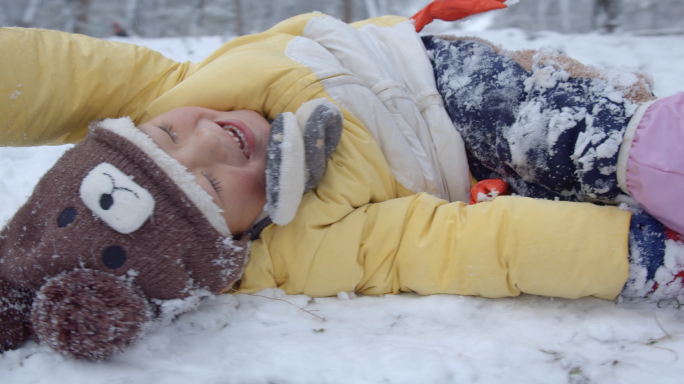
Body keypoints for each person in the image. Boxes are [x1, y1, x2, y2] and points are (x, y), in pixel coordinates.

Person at [1, 8, 683, 313]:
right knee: (570, 197)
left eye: (166, 135)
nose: (211, 137)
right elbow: (459, 244)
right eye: (208, 185)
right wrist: (631, 260)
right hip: (469, 170)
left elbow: (56, 74)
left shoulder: (171, 88)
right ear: (230, 240)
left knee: (551, 124)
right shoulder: (306, 245)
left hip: (437, 77)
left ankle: (649, 147)